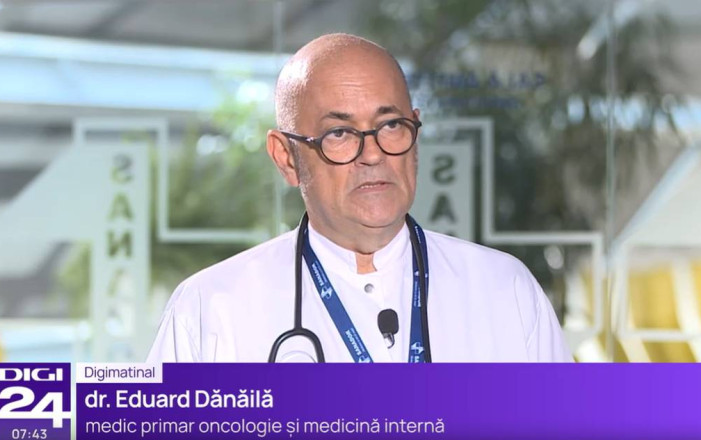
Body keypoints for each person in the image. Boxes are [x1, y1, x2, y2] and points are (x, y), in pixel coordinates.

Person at [147, 33, 571, 363]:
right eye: (339, 133)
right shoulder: (211, 309)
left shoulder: (505, 290)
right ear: (286, 158)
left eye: (391, 126)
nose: (372, 154)